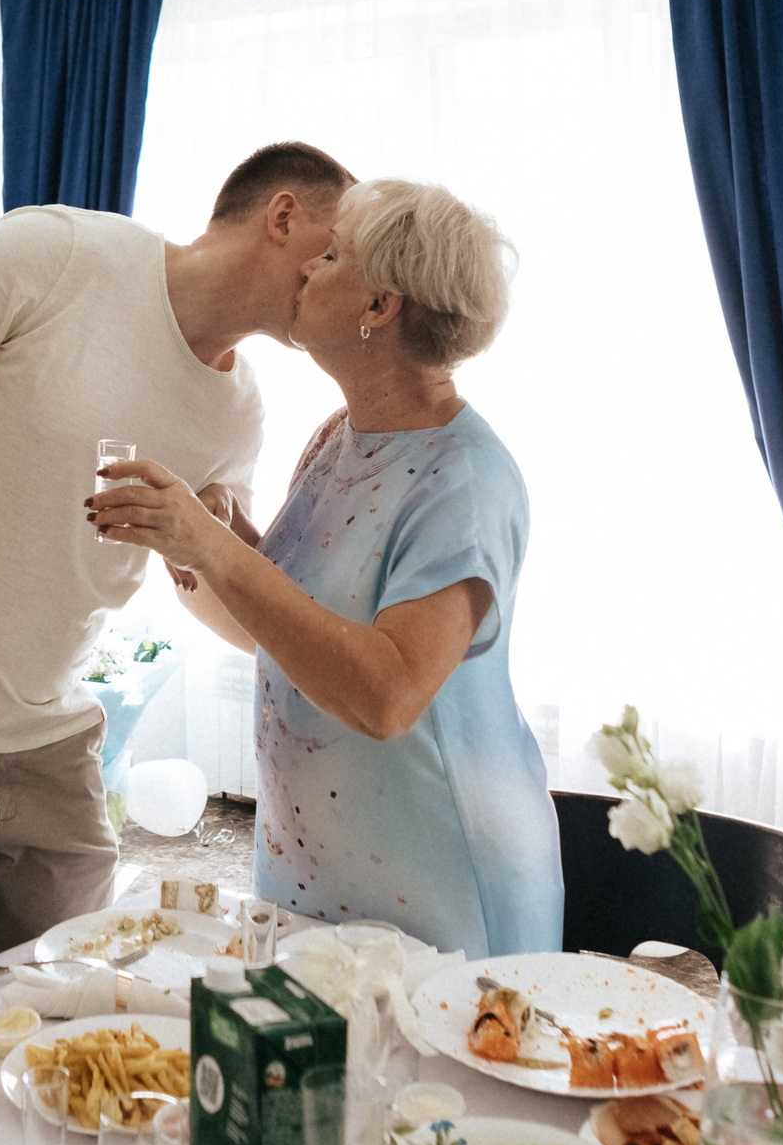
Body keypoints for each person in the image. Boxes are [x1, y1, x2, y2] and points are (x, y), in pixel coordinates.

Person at [0, 142, 354, 1027]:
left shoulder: (237, 414)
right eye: (336, 246)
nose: (342, 275)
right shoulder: (63, 254)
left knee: (89, 1025)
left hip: (48, 748)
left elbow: (214, 602)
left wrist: (217, 554)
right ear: (284, 216)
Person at [86, 179, 560, 957]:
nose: (307, 266)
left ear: (381, 306)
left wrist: (218, 549)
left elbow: (384, 694)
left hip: (441, 888)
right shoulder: (337, 438)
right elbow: (281, 636)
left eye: (333, 255)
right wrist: (196, 543)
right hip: (310, 878)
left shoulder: (467, 484)